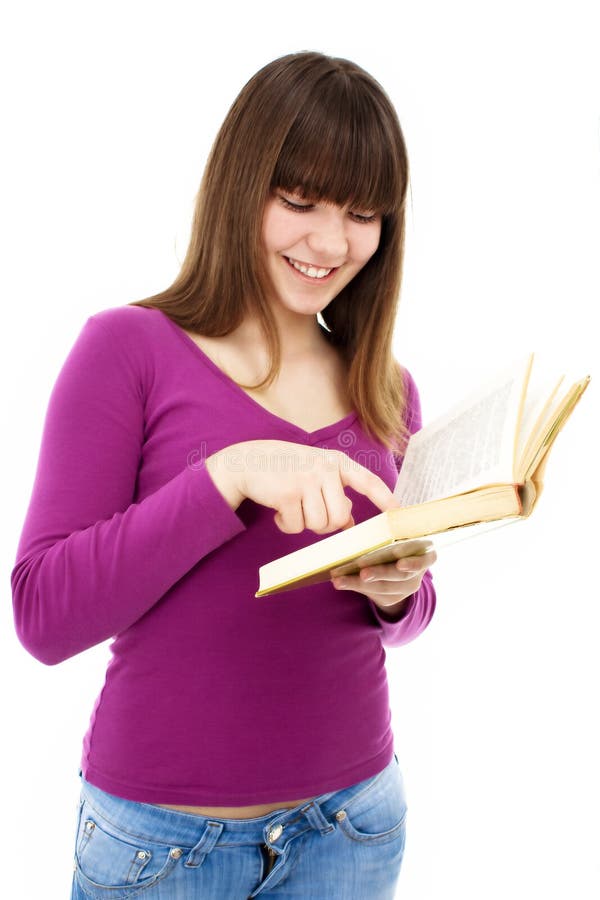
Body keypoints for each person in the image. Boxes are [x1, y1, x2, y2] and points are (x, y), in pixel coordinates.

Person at [11, 50, 437, 899]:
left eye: (361, 212)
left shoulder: (386, 388)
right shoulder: (126, 349)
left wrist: (398, 593)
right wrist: (227, 478)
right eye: (300, 199)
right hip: (161, 845)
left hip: (352, 827)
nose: (329, 241)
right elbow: (42, 614)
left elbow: (404, 619)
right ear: (241, 185)